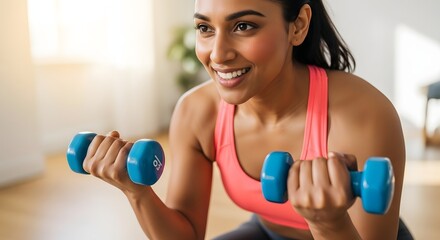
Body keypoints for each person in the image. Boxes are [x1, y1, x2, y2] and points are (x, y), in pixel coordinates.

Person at [82, 0, 413, 239]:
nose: (218, 53)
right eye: (205, 28)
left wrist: (328, 223)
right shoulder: (197, 112)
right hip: (265, 232)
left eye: (243, 26)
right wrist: (137, 192)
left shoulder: (364, 115)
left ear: (297, 26)